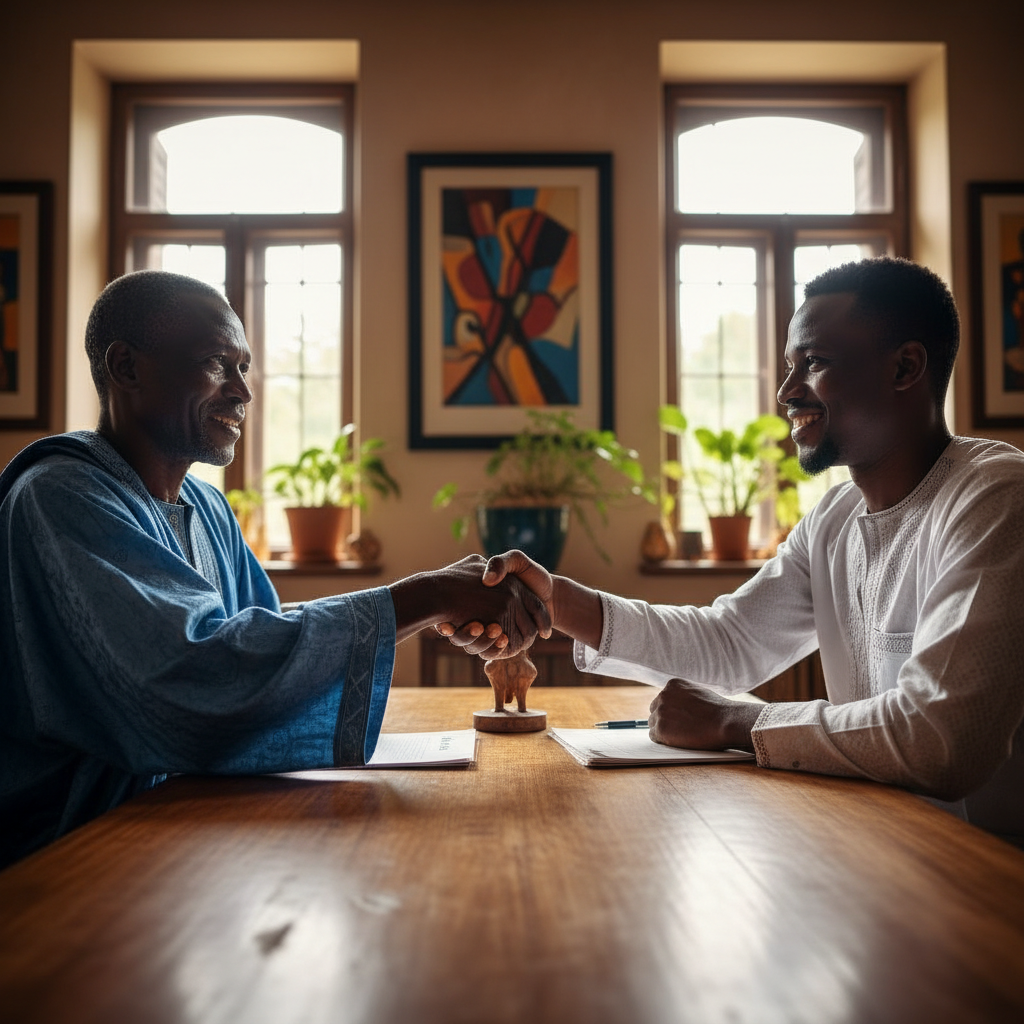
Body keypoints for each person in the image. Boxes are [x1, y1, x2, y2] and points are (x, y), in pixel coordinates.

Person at [450, 257, 1024, 846]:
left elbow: (943, 740)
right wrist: (559, 603)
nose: (785, 392)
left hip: (988, 885)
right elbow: (729, 642)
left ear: (906, 367)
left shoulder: (996, 497)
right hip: (882, 853)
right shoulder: (834, 520)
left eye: (814, 364)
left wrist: (737, 721)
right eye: (788, 367)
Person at [0, 270, 548, 869]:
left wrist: (434, 606)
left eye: (244, 367)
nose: (243, 391)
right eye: (217, 363)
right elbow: (198, 677)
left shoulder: (207, 506)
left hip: (186, 827)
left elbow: (260, 641)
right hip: (75, 853)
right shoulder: (59, 497)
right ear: (126, 368)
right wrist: (425, 597)